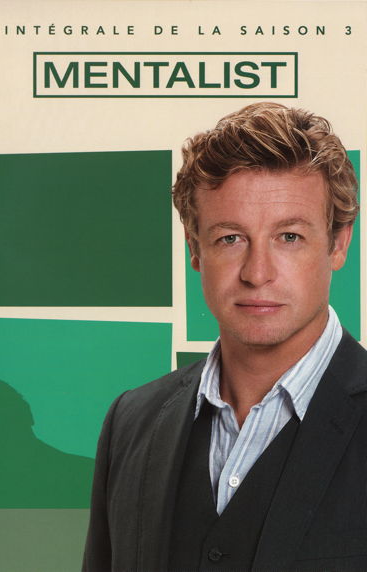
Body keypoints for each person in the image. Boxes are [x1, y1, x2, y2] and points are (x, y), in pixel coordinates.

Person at [82, 103, 367, 572]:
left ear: (338, 244)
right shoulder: (130, 422)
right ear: (195, 249)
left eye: (289, 237)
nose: (257, 273)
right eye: (230, 238)